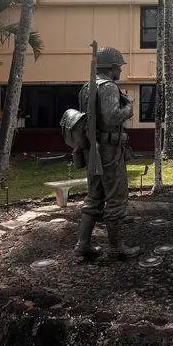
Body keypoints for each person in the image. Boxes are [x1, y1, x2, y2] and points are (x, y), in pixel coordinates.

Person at [74, 47, 140, 261]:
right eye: (119, 67)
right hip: (109, 150)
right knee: (115, 196)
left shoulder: (87, 86)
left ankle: (82, 244)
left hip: (93, 148)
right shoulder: (110, 87)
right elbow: (112, 118)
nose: (120, 70)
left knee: (94, 196)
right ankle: (117, 246)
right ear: (112, 68)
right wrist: (129, 107)